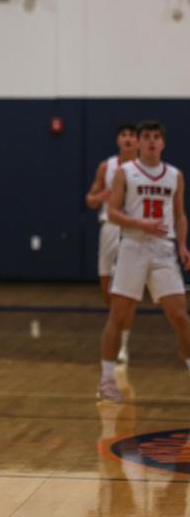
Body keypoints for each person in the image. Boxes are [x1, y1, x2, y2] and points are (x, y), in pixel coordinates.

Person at [97, 121, 190, 403]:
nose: (151, 141)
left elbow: (180, 216)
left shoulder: (174, 175)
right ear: (138, 142)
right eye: (146, 137)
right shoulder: (125, 172)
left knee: (180, 315)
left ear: (163, 143)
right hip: (133, 247)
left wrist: (182, 245)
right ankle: (107, 380)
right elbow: (112, 213)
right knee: (119, 315)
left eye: (156, 137)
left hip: (163, 249)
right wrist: (140, 224)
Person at [86, 123, 138, 363]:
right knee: (107, 288)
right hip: (108, 227)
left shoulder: (144, 169)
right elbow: (90, 200)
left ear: (137, 141)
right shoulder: (106, 166)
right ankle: (116, 331)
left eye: (132, 135)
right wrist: (100, 197)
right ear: (118, 140)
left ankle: (123, 345)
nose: (127, 138)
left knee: (124, 291)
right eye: (123, 135)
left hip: (132, 231)